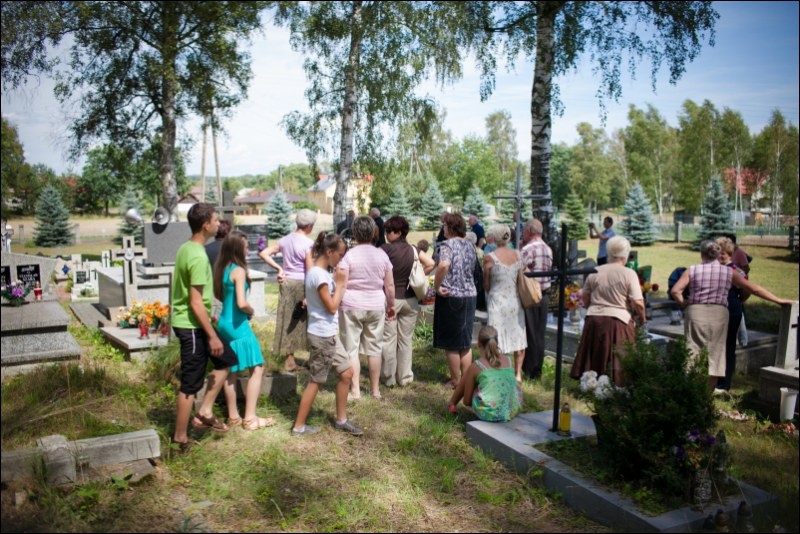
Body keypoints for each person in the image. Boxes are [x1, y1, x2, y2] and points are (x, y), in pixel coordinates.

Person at [670, 240, 792, 389]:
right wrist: (778, 300)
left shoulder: (692, 270)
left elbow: (675, 291)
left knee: (693, 350)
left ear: (701, 253)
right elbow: (753, 289)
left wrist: (684, 303)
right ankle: (708, 393)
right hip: (719, 314)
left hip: (696, 312)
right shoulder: (730, 272)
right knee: (716, 352)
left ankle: (691, 390)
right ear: (717, 255)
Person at [171, 203, 238, 452]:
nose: (219, 223)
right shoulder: (198, 256)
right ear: (205, 225)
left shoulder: (187, 247)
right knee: (191, 382)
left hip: (197, 321)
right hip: (190, 325)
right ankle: (180, 438)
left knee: (227, 359)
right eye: (215, 220)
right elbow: (195, 301)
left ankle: (205, 412)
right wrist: (212, 336)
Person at [292, 232, 363, 436]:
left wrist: (336, 282)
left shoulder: (320, 273)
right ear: (329, 252)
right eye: (340, 255)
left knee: (347, 373)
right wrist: (340, 284)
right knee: (316, 381)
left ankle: (341, 420)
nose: (341, 259)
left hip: (329, 334)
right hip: (322, 336)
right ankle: (298, 427)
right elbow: (332, 307)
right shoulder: (318, 275)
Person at [214, 231, 275, 430]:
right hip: (237, 325)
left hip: (224, 323)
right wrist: (251, 311)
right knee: (257, 367)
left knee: (231, 370)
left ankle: (233, 417)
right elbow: (241, 303)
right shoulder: (239, 271)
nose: (248, 249)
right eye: (245, 246)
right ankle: (250, 419)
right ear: (237, 248)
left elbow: (223, 297)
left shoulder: (224, 268)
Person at [569, 236, 645, 386]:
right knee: (620, 358)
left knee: (595, 355)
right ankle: (617, 387)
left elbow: (585, 296)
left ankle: (590, 385)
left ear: (608, 252)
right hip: (619, 321)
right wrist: (642, 318)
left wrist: (592, 307)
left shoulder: (594, 271)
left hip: (594, 319)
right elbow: (638, 302)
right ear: (626, 254)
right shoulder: (629, 273)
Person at [338, 215, 395, 400]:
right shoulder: (382, 255)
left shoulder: (349, 255)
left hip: (351, 305)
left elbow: (342, 284)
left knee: (351, 348)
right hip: (376, 305)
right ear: (373, 232)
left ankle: (355, 390)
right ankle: (375, 390)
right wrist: (391, 305)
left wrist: (335, 303)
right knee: (374, 348)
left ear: (355, 233)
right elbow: (390, 286)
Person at [258, 209, 317, 372]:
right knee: (309, 321)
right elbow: (310, 270)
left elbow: (264, 253)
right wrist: (309, 294)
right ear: (309, 226)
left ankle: (289, 360)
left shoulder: (284, 240)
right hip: (302, 284)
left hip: (287, 283)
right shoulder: (308, 244)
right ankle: (313, 359)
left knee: (288, 319)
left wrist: (279, 268)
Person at [380, 216, 435, 387]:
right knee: (406, 340)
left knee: (389, 339)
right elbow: (431, 263)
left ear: (398, 232)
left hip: (391, 300)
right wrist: (418, 276)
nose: (387, 233)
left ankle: (388, 378)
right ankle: (404, 377)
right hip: (411, 299)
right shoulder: (414, 249)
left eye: (389, 230)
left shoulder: (385, 250)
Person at [433, 212, 478, 389]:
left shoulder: (447, 245)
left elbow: (444, 265)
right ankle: (466, 379)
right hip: (470, 295)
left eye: (445, 225)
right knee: (465, 342)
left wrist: (436, 286)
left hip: (451, 296)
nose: (443, 228)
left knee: (451, 343)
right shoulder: (470, 245)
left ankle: (455, 381)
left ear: (451, 228)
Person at [447, 325, 523, 423]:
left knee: (471, 373)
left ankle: (452, 403)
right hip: (512, 410)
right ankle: (452, 402)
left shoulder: (477, 365)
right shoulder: (508, 361)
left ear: (478, 343)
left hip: (490, 414)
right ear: (497, 342)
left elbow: (467, 401)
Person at [483, 224, 527, 383]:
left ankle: (499, 369)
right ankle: (518, 374)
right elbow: (522, 276)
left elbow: (486, 285)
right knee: (518, 337)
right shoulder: (518, 255)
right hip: (515, 300)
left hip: (497, 302)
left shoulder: (489, 257)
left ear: (494, 238)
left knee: (496, 337)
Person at [714, 236, 748, 393]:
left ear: (729, 254)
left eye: (722, 253)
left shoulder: (736, 271)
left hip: (731, 310)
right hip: (716, 309)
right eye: (717, 252)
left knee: (727, 346)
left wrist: (739, 300)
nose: (719, 256)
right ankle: (715, 378)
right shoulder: (714, 268)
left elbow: (746, 290)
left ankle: (724, 382)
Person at [520, 218, 553, 380]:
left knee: (530, 333)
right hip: (545, 294)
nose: (523, 234)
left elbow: (518, 269)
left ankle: (530, 370)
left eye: (524, 231)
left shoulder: (528, 249)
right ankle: (537, 369)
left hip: (531, 295)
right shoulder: (548, 248)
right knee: (539, 333)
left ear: (529, 231)